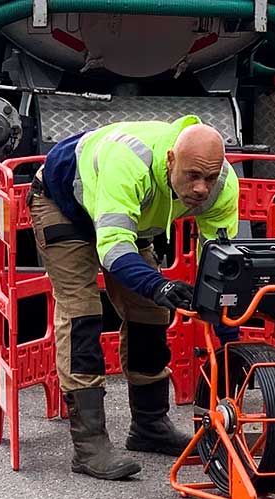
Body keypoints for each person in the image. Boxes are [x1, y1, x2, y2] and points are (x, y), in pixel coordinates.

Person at [27, 115, 240, 480]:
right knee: (82, 313)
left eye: (210, 176)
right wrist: (160, 285)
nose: (203, 188)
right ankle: (89, 446)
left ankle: (149, 425)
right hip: (64, 204)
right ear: (171, 160)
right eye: (193, 176)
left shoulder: (222, 186)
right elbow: (112, 250)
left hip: (131, 217)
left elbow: (221, 270)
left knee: (151, 312)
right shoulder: (129, 163)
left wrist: (227, 337)